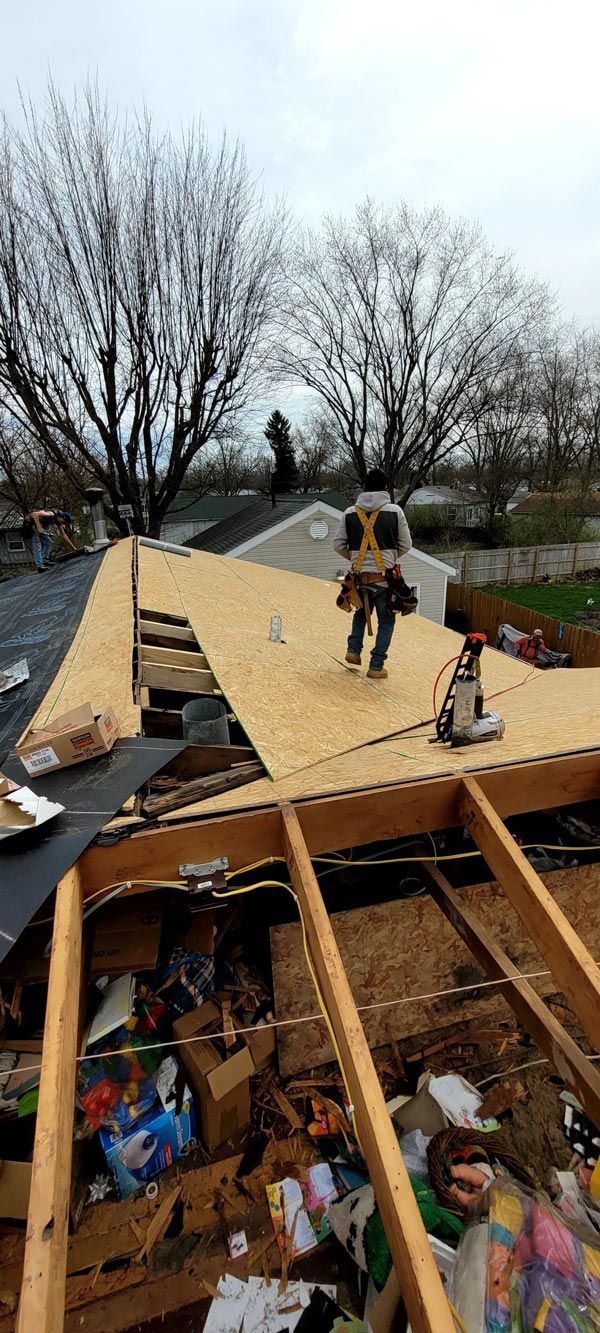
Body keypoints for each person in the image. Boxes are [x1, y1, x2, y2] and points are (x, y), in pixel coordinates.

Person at [334, 468, 412, 680]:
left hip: (359, 578)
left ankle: (353, 651)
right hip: (384, 580)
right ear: (385, 488)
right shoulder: (395, 512)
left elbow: (338, 544)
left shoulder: (350, 513)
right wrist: (389, 557)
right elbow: (406, 544)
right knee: (386, 622)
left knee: (361, 611)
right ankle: (376, 666)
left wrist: (356, 559)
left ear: (364, 487)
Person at [22, 507, 76, 572]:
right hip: (30, 525)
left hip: (37, 526)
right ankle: (39, 566)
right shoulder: (51, 514)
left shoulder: (58, 521)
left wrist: (73, 548)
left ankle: (45, 561)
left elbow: (64, 535)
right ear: (62, 517)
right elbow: (35, 514)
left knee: (48, 542)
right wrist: (39, 527)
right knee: (37, 544)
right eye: (63, 522)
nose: (62, 524)